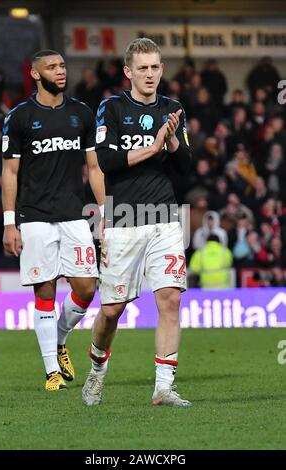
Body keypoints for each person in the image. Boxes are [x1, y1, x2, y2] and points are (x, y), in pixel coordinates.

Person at [82, 38, 192, 408]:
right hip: (123, 219)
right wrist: (155, 145)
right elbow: (107, 161)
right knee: (112, 311)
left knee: (169, 300)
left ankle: (163, 387)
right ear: (128, 72)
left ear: (162, 70)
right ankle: (97, 369)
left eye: (155, 67)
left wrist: (173, 141)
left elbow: (185, 170)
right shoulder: (110, 108)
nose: (150, 74)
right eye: (142, 68)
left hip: (164, 218)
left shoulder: (173, 108)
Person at [1, 50, 105, 391]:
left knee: (87, 287)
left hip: (74, 214)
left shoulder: (81, 114)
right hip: (34, 218)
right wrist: (9, 223)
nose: (60, 71)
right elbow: (10, 172)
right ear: (34, 73)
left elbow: (94, 168)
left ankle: (59, 338)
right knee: (44, 291)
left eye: (62, 66)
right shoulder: (19, 117)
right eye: (52, 67)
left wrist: (106, 212)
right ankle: (51, 372)